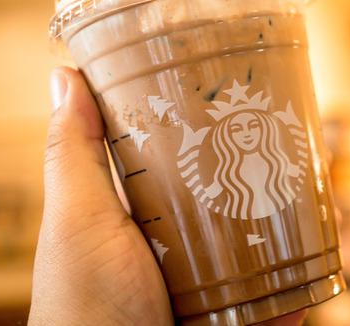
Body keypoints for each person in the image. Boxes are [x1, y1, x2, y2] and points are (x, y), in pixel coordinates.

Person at [28, 67, 307, 326]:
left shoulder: (281, 168)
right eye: (236, 128)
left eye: (253, 127)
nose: (246, 134)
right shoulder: (220, 181)